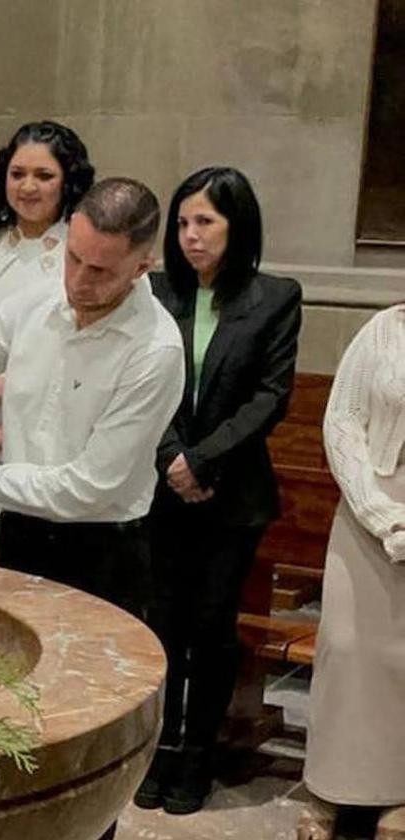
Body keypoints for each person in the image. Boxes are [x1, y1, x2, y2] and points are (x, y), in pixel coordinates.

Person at [135, 167, 302, 815]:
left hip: (232, 493)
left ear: (238, 227)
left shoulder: (274, 296)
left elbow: (269, 397)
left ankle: (197, 759)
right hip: (161, 487)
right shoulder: (154, 293)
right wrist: (173, 455)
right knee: (161, 624)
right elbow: (143, 380)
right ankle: (158, 751)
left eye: (205, 222)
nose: (190, 236)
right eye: (182, 223)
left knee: (210, 627)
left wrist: (202, 461)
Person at [0, 177, 183, 612]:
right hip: (16, 529)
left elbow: (87, 488)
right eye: (73, 258)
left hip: (100, 549)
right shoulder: (37, 300)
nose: (79, 281)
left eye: (101, 270)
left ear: (142, 266)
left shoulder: (155, 350)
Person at [0, 120, 94, 530]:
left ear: (68, 183)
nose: (28, 187)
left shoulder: (78, 251)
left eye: (44, 176)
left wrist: (19, 398)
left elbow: (76, 351)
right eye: (18, 174)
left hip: (42, 427)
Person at [296, 305, 405, 840]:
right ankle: (335, 787)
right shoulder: (384, 329)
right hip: (370, 513)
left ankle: (400, 797)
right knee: (347, 649)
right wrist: (379, 512)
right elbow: (343, 421)